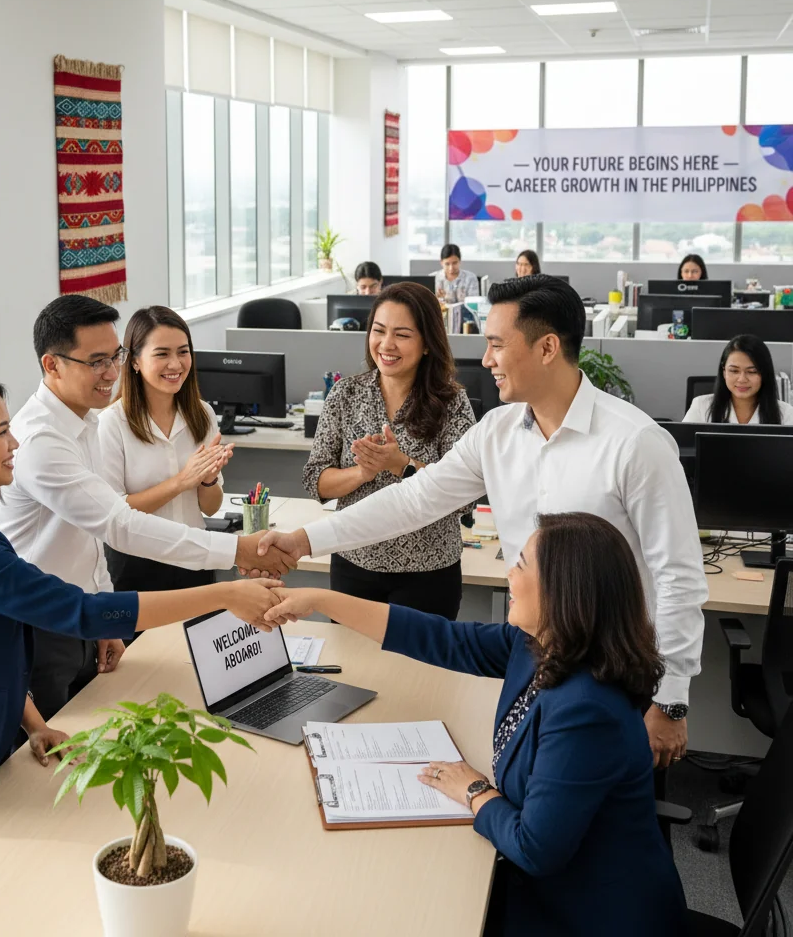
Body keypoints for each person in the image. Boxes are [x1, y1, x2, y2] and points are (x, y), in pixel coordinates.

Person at [257, 275, 707, 768]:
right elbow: (413, 500)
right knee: (531, 789)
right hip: (536, 657)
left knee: (611, 806)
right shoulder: (497, 432)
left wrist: (671, 699)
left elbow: (678, 575)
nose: (486, 359)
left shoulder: (635, 443)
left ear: (547, 348)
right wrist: (304, 540)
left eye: (497, 344)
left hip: (615, 669)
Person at [0, 374, 284, 865]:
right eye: (1, 432)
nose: (15, 443)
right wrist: (224, 593)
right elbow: (81, 611)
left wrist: (34, 725)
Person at [264, 513, 687, 937]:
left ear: (564, 592)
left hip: (589, 914)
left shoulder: (586, 709)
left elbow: (535, 849)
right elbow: (443, 638)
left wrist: (474, 790)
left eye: (521, 564)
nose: (508, 573)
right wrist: (322, 600)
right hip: (545, 887)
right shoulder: (539, 646)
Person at [0, 295, 293, 721]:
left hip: (81, 614)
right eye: (96, 362)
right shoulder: (42, 440)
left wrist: (103, 617)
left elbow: (91, 539)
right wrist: (238, 550)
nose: (111, 372)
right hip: (42, 625)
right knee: (53, 752)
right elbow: (119, 524)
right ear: (52, 365)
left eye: (113, 356)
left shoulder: (83, 423)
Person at [302, 282, 475, 619]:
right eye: (379, 331)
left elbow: (465, 496)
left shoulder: (452, 402)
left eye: (402, 334)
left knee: (418, 657)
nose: (386, 344)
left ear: (428, 343)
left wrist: (403, 465)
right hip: (353, 562)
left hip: (428, 571)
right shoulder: (345, 394)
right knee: (348, 655)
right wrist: (362, 472)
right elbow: (315, 480)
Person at [100, 306, 231, 592]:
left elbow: (211, 508)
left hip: (194, 556)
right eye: (162, 354)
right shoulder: (111, 423)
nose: (175, 364)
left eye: (183, 352)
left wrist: (207, 479)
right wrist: (181, 481)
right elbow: (112, 514)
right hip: (136, 564)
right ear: (135, 361)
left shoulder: (202, 414)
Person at [684, 333, 793, 425]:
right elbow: (683, 443)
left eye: (752, 372)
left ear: (765, 374)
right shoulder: (701, 406)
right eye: (734, 371)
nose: (742, 379)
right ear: (724, 372)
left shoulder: (786, 413)